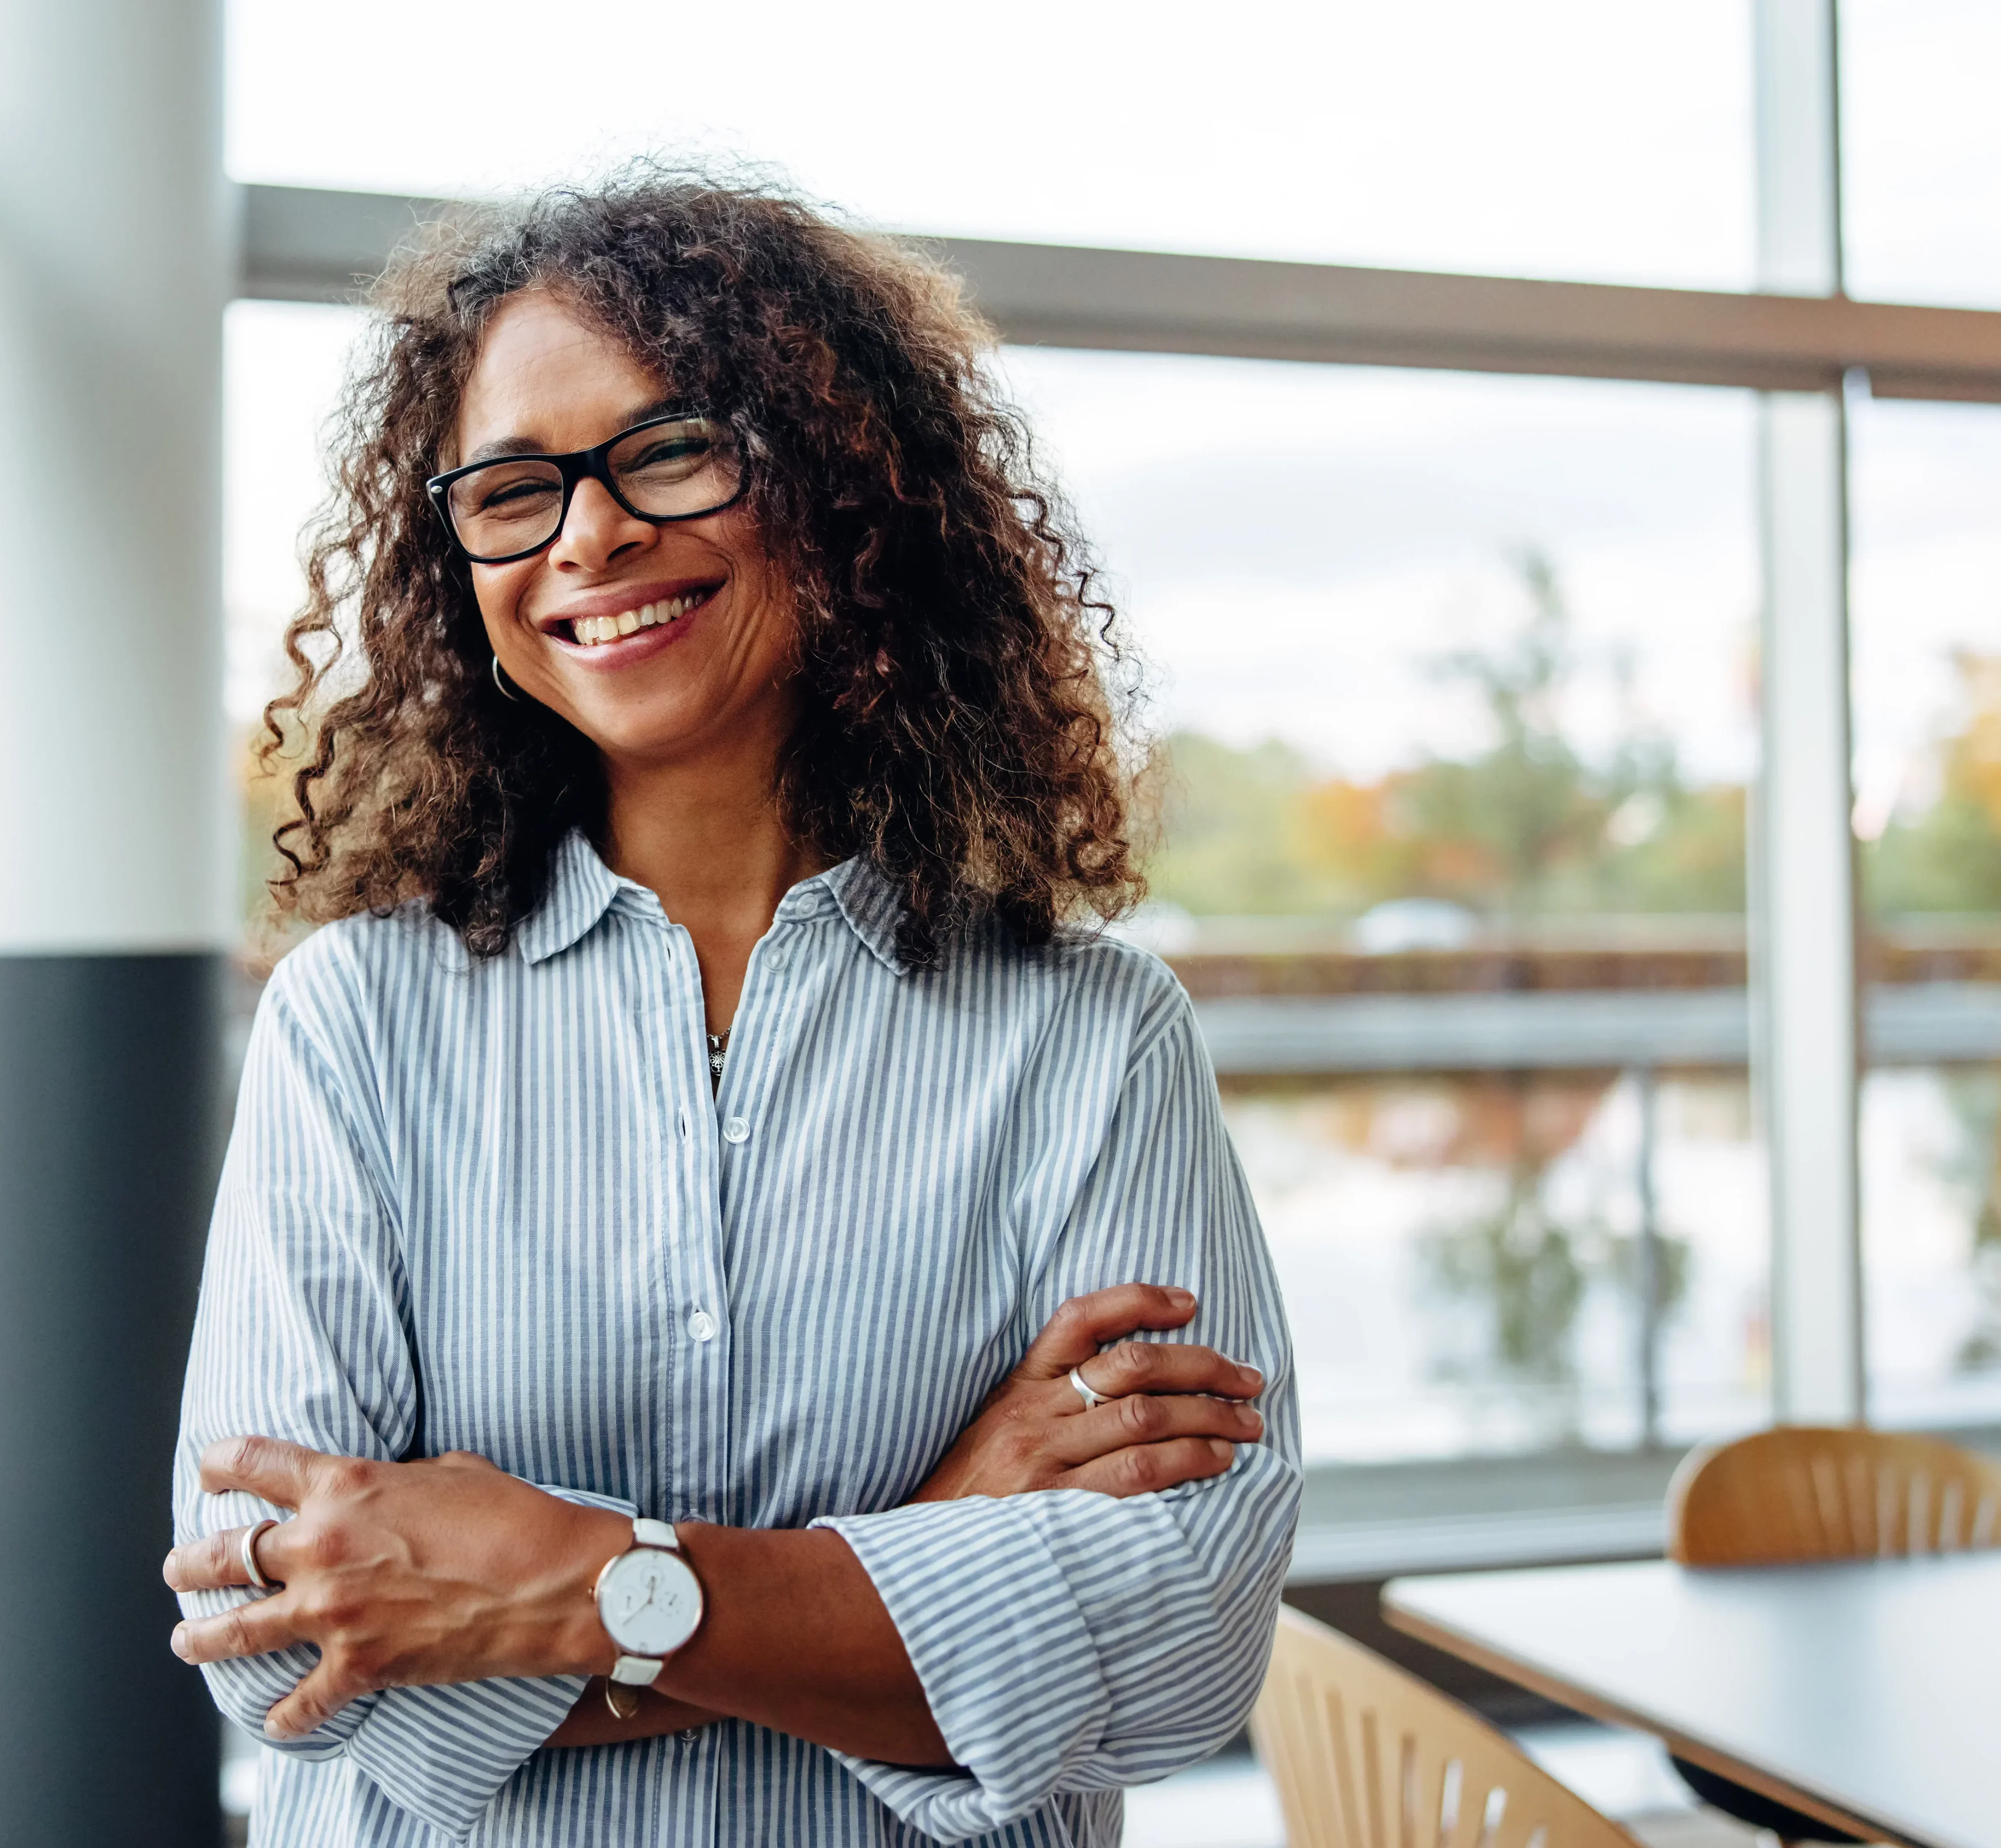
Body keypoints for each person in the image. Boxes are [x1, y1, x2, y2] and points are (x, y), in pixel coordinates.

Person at [162, 172, 1299, 1848]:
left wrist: (560, 1592)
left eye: (671, 449)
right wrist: (932, 1549)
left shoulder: (1091, 1035)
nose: (588, 534)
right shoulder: (357, 1022)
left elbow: (1181, 1639)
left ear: (844, 492)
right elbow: (284, 1655)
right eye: (511, 489)